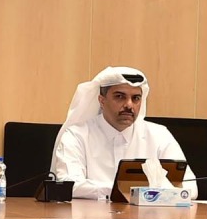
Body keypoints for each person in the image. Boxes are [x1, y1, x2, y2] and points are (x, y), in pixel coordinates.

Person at [51, 66, 196, 200]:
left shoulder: (159, 135)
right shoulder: (77, 135)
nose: (129, 105)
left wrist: (136, 193)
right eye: (120, 97)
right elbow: (69, 185)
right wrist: (130, 192)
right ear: (101, 100)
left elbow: (190, 188)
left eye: (136, 98)